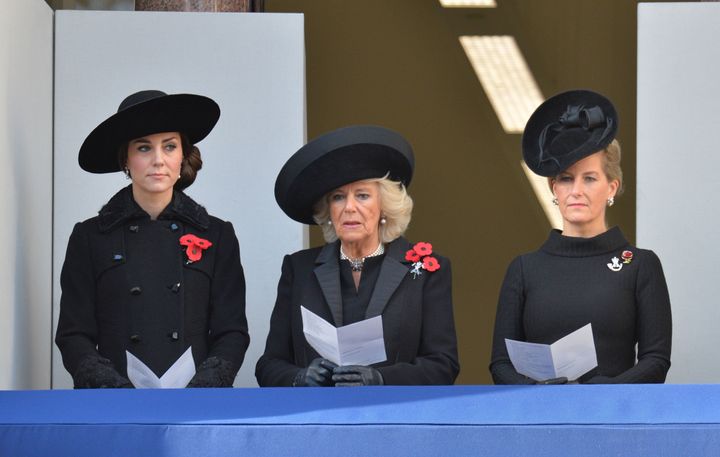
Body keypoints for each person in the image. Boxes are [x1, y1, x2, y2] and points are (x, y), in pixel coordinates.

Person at [55, 90, 249, 388]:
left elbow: (232, 331)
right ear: (126, 159)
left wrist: (205, 387)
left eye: (169, 147)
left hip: (196, 405)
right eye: (144, 148)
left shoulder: (217, 234)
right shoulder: (90, 237)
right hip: (116, 405)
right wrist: (112, 387)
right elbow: (73, 333)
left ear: (183, 155)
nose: (158, 160)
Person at [490, 89, 672, 384]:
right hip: (541, 418)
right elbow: (500, 364)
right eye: (565, 178)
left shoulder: (640, 265)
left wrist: (606, 391)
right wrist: (536, 392)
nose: (576, 190)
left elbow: (656, 360)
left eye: (589, 178)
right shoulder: (524, 269)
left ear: (611, 187)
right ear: (554, 189)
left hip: (614, 417)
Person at [256, 125, 459, 387]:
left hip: (392, 420)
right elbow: (268, 365)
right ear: (328, 210)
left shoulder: (426, 270)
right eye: (338, 197)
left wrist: (382, 379)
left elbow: (443, 365)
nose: (349, 207)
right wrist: (299, 377)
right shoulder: (299, 268)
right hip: (318, 420)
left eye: (362, 195)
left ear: (384, 206)